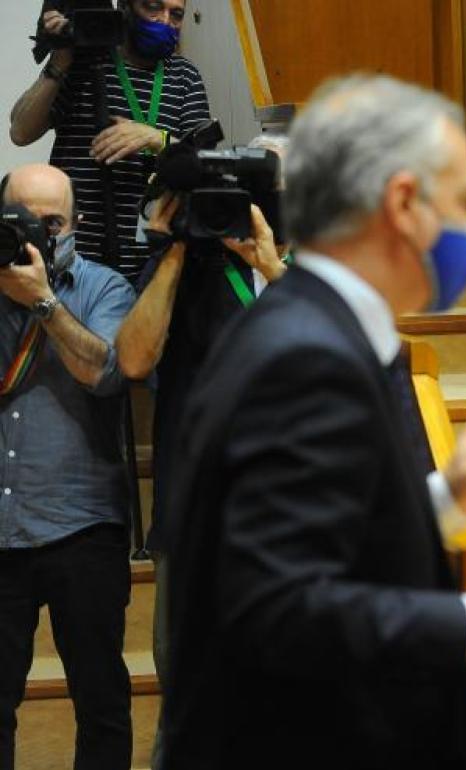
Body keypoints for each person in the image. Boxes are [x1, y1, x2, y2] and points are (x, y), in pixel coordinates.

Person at [161, 75, 466, 770]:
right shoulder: (306, 358)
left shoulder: (303, 322)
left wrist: (444, 497)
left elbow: (325, 537)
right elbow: (282, 610)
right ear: (404, 203)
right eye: (464, 204)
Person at [114, 133, 289, 770]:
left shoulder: (311, 275)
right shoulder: (180, 270)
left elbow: (344, 358)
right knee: (186, 700)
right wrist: (179, 247)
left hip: (284, 519)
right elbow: (133, 359)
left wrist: (272, 268)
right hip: (194, 518)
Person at [0, 164, 137, 770]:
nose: (36, 232)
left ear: (75, 224)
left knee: (101, 700)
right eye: (21, 218)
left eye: (51, 221)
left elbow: (106, 374)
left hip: (82, 526)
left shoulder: (105, 287)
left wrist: (43, 302)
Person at [9, 0, 210, 283]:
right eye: (153, 7)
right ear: (125, 7)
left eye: (176, 14)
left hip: (151, 260)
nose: (164, 21)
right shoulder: (84, 62)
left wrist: (157, 138)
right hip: (75, 262)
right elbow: (20, 132)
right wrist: (60, 59)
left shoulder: (185, 76)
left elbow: (206, 164)